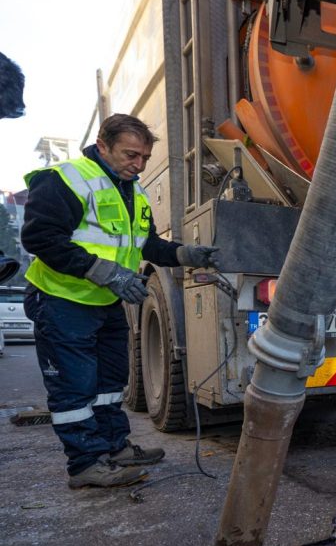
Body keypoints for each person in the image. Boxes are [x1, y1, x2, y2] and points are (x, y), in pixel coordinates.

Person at [21, 114, 220, 489]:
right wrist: (107, 273)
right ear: (103, 145)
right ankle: (84, 465)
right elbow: (40, 237)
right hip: (62, 300)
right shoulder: (66, 178)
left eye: (144, 157)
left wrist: (186, 254)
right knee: (75, 386)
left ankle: (113, 448)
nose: (139, 164)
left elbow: (145, 244)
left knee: (110, 381)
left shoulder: (131, 189)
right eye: (131, 155)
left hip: (103, 303)